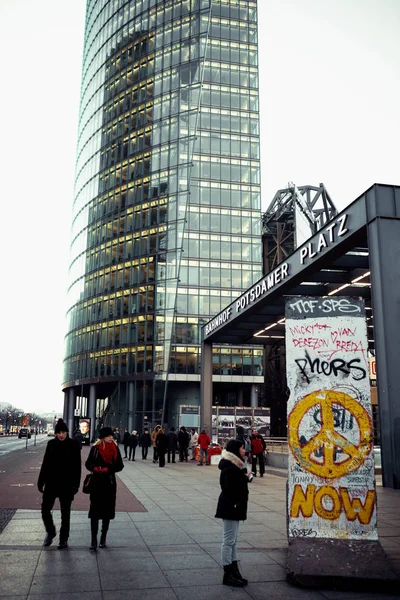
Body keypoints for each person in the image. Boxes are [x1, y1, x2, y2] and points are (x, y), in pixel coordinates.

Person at [37, 418, 81, 549]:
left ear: (67, 432)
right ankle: (50, 532)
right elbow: (45, 464)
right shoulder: (51, 444)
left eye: (63, 432)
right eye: (58, 432)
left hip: (67, 485)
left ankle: (63, 539)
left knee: (65, 514)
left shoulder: (73, 445)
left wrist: (75, 485)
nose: (61, 435)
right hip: (51, 483)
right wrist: (41, 481)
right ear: (55, 433)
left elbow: (77, 467)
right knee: (45, 510)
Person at [215, 439, 250, 587]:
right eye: (242, 448)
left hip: (234, 507)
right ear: (236, 450)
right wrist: (243, 479)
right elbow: (228, 487)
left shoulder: (236, 466)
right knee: (228, 541)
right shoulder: (230, 468)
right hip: (230, 507)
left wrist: (244, 478)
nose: (244, 450)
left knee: (233, 541)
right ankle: (227, 573)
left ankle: (234, 570)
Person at [85, 426, 124, 551]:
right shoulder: (95, 449)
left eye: (111, 436)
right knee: (95, 512)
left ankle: (103, 537)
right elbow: (88, 463)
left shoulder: (115, 448)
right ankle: (93, 540)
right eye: (108, 436)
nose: (111, 438)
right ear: (102, 437)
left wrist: (108, 469)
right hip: (96, 484)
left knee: (107, 513)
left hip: (109, 484)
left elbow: (120, 465)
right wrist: (95, 468)